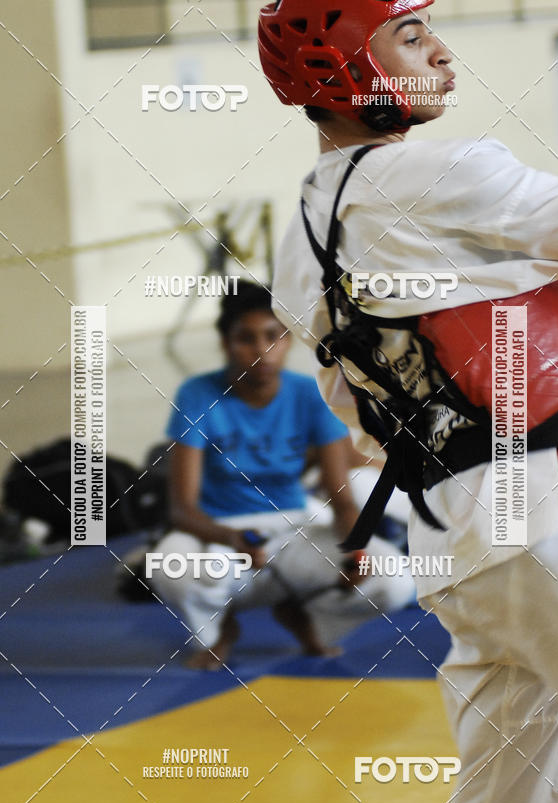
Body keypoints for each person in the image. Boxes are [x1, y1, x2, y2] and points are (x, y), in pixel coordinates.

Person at [258, 0, 558, 803]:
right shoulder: (439, 173)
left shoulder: (298, 244)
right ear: (346, 63)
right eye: (411, 36)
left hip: (461, 546)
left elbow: (364, 418)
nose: (442, 53)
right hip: (541, 521)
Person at [150, 280, 415, 670]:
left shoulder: (309, 394)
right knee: (168, 565)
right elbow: (181, 510)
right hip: (220, 535)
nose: (261, 350)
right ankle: (218, 628)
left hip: (295, 529)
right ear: (225, 343)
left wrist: (354, 549)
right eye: (246, 338)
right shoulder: (198, 394)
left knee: (393, 580)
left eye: (272, 337)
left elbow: (341, 497)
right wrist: (230, 538)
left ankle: (307, 614)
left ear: (287, 340)